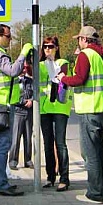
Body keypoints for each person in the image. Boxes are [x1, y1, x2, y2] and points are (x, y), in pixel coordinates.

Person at [56, 26, 103, 204]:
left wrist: (63, 79)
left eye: (78, 39)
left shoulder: (86, 55)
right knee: (99, 151)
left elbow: (79, 79)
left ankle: (95, 193)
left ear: (84, 39)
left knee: (90, 153)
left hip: (89, 108)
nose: (78, 43)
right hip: (102, 107)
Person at [0, 23, 33, 196]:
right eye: (8, 36)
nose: (10, 39)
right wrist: (23, 54)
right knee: (3, 144)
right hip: (1, 104)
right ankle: (0, 184)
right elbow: (12, 71)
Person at [39, 36, 71, 192]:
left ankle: (64, 178)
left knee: (60, 143)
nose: (47, 49)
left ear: (57, 48)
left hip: (59, 107)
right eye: (45, 46)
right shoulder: (40, 65)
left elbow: (60, 76)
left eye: (50, 46)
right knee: (47, 144)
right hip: (44, 108)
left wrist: (51, 61)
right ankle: (50, 176)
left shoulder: (62, 63)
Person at [8, 57, 33, 171]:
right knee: (16, 138)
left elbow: (34, 92)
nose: (23, 70)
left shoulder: (29, 81)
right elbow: (13, 97)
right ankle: (13, 160)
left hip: (29, 112)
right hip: (18, 111)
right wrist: (23, 102)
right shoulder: (14, 81)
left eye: (25, 68)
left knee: (28, 137)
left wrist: (31, 100)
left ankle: (28, 160)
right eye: (22, 68)